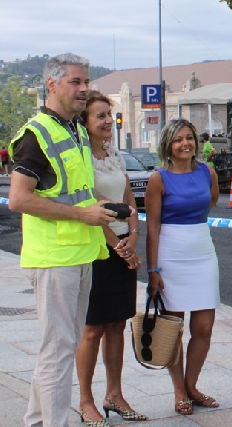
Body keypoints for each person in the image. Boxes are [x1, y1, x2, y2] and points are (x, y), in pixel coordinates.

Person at [8, 53, 116, 427]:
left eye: (86, 81)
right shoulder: (36, 134)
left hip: (79, 253)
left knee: (58, 349)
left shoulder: (72, 129)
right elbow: (19, 199)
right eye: (75, 82)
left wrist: (99, 205)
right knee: (58, 352)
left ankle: (38, 422)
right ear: (52, 85)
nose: (84, 88)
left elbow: (71, 192)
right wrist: (82, 214)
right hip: (55, 257)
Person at [74, 90, 146, 426]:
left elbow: (128, 197)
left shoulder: (113, 152)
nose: (107, 121)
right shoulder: (81, 156)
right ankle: (85, 400)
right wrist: (117, 245)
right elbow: (90, 202)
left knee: (117, 324)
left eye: (108, 115)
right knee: (92, 329)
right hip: (97, 249)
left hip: (121, 245)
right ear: (84, 122)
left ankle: (114, 394)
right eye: (99, 116)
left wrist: (132, 236)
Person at [145, 119, 221, 416]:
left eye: (189, 138)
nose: (185, 144)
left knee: (204, 327)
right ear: (168, 145)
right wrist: (153, 270)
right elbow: (152, 225)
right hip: (170, 255)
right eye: (178, 140)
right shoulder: (158, 178)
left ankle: (192, 386)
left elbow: (210, 202)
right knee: (172, 329)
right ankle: (179, 392)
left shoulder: (207, 172)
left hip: (203, 251)